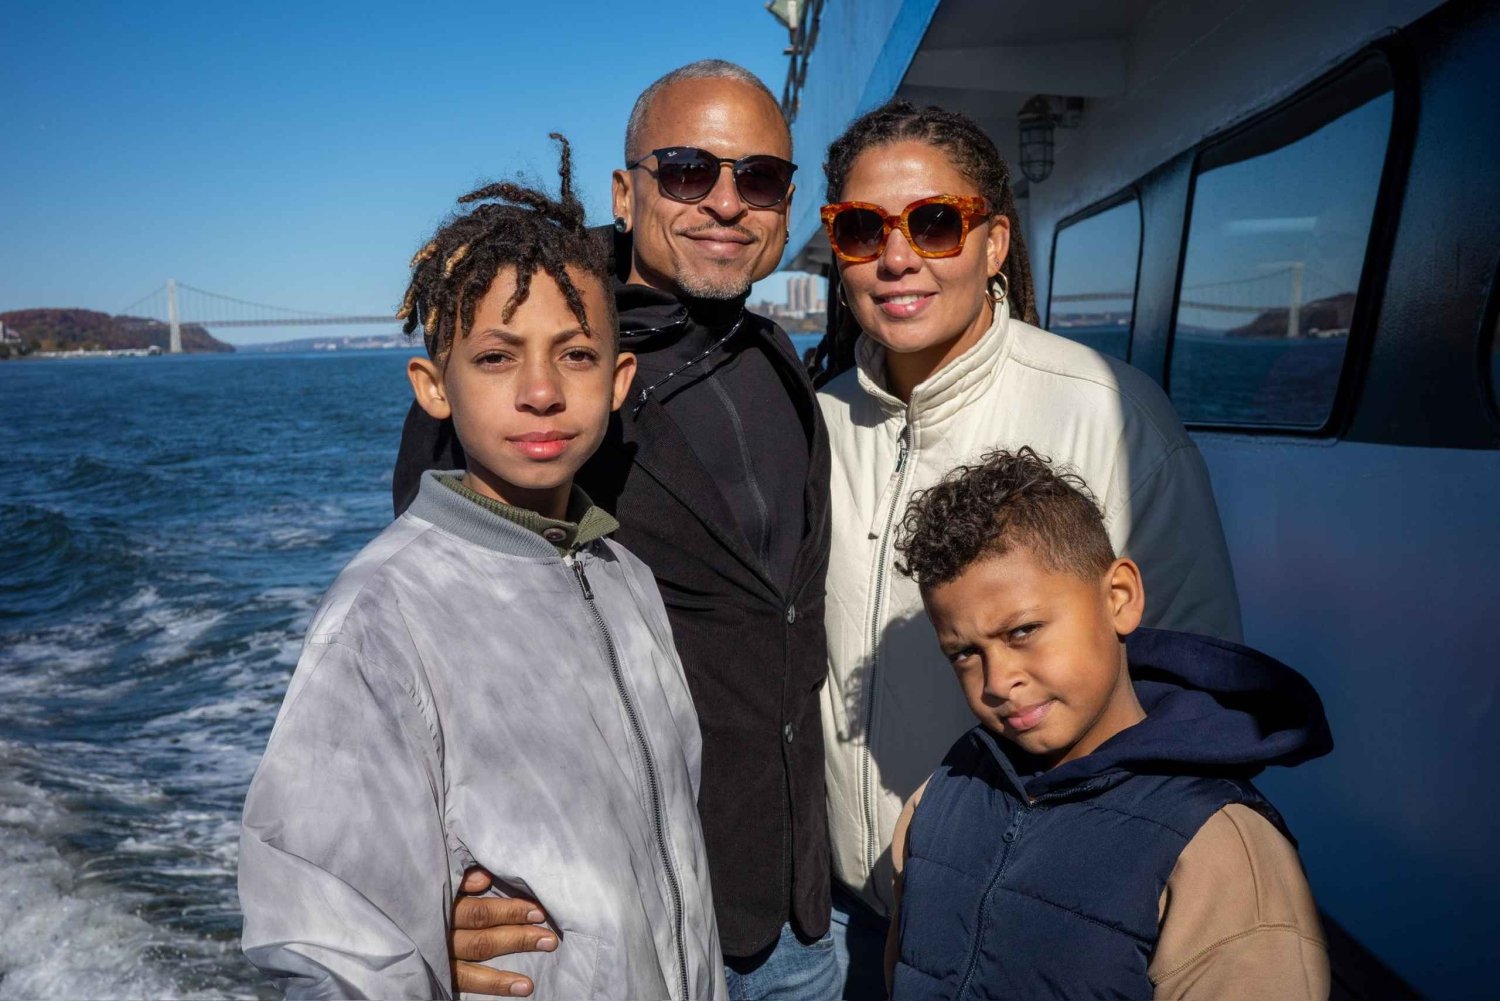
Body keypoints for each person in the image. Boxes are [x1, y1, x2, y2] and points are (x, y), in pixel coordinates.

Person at [239, 139, 725, 1000]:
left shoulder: (625, 576)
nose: (541, 391)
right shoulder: (385, 612)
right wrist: (422, 946)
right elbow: (333, 941)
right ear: (434, 385)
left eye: (574, 355)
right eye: (497, 357)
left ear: (618, 382)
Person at [393, 62, 837, 1000]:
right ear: (626, 190)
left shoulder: (774, 355)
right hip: (616, 927)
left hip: (796, 914)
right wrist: (435, 890)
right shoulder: (541, 365)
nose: (725, 202)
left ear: (787, 204)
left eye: (757, 179)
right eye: (688, 171)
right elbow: (432, 644)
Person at [811, 100, 1246, 995]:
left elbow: (1198, 686)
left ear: (995, 243)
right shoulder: (813, 426)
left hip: (1024, 928)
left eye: (934, 223)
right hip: (835, 924)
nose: (898, 257)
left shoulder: (1110, 412)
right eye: (863, 229)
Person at [883, 447, 1331, 999]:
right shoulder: (944, 794)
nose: (997, 681)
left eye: (1022, 631)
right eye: (964, 653)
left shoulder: (1221, 851)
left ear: (1119, 597)